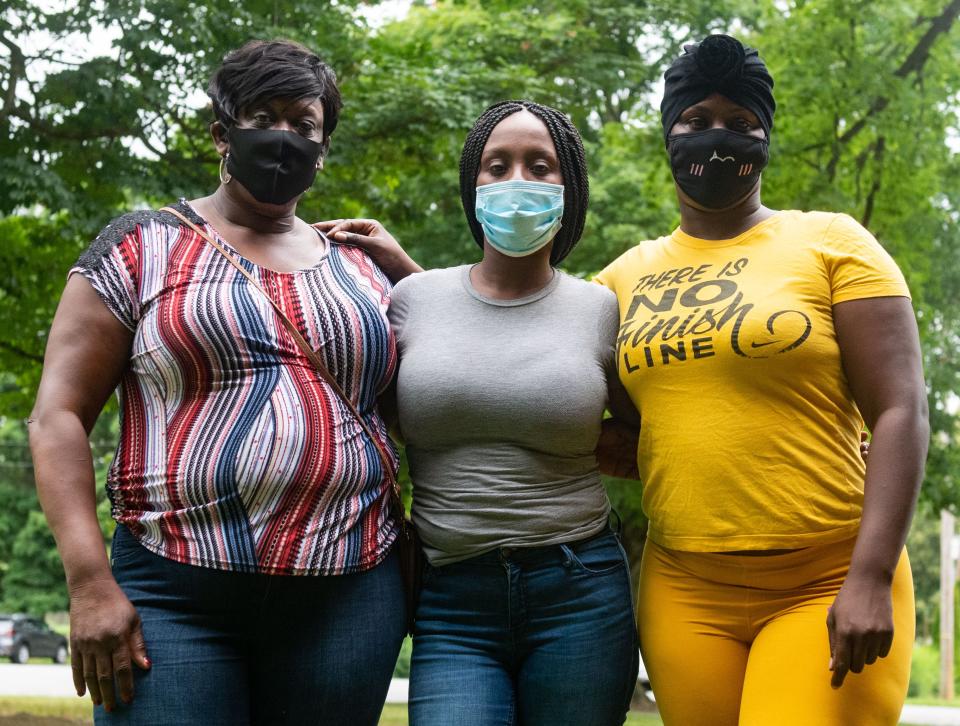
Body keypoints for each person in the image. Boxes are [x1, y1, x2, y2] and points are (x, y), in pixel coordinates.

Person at [28, 40, 405, 726]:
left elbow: (433, 398)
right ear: (221, 132)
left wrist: (409, 274)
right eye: (265, 116)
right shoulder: (139, 247)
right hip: (174, 590)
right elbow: (57, 416)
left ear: (324, 146)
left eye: (305, 124)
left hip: (349, 593)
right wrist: (88, 584)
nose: (285, 138)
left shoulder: (363, 269)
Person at [592, 34, 928, 726]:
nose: (717, 137)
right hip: (683, 586)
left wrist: (869, 576)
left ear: (766, 137)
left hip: (829, 575)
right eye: (695, 121)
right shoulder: (619, 280)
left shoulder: (833, 242)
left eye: (741, 123)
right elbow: (550, 384)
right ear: (668, 136)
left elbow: (901, 408)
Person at [324, 100, 641, 726]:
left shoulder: (600, 309)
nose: (517, 180)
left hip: (580, 589)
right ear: (474, 187)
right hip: (452, 598)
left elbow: (644, 436)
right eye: (497, 166)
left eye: (539, 166)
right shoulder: (414, 298)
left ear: (568, 189)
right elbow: (442, 362)